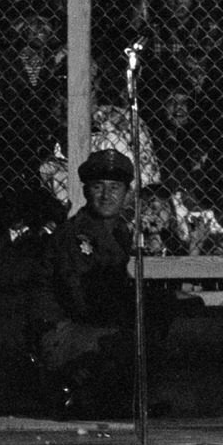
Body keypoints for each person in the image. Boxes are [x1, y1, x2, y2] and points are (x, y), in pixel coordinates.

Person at [30, 148, 151, 417]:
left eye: (115, 187)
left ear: (127, 194)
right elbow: (84, 302)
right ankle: (84, 397)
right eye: (98, 186)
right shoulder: (76, 235)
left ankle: (116, 401)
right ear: (85, 191)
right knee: (131, 334)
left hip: (87, 328)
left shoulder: (118, 230)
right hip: (62, 333)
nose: (107, 196)